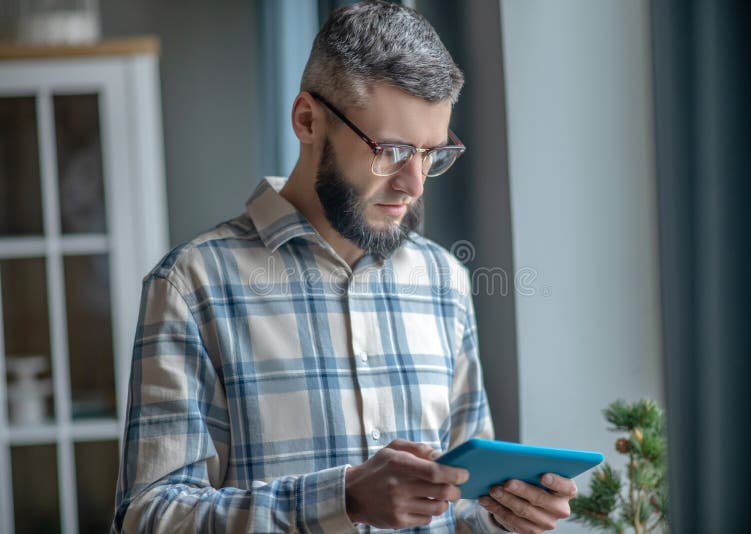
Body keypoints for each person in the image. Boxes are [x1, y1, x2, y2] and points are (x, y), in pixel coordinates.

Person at [112, 1, 577, 532]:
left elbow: (462, 507)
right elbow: (146, 518)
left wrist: (507, 515)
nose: (414, 183)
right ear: (307, 120)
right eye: (393, 150)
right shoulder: (191, 286)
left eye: (431, 153)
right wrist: (344, 499)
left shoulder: (444, 280)